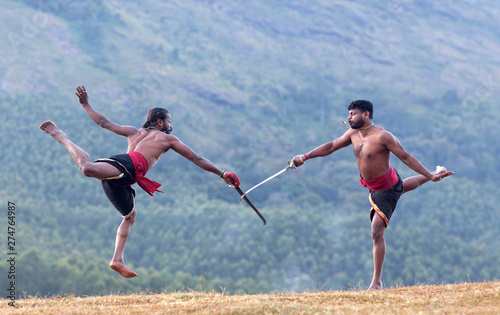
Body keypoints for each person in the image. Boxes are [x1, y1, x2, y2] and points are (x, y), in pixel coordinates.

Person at [40, 85, 240, 278]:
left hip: (122, 178)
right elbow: (197, 158)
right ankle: (61, 136)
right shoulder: (167, 139)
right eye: (169, 122)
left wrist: (86, 104)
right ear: (160, 122)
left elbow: (104, 123)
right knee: (88, 168)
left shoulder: (133, 132)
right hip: (129, 165)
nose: (172, 126)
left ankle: (117, 260)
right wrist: (222, 174)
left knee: (130, 217)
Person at [292, 100, 454, 290]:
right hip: (377, 186)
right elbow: (331, 146)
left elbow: (405, 157)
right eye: (349, 114)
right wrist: (304, 157)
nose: (349, 117)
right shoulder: (353, 134)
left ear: (366, 115)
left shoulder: (383, 136)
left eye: (353, 114)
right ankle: (435, 174)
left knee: (376, 231)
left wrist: (428, 175)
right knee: (400, 187)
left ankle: (376, 282)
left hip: (386, 188)